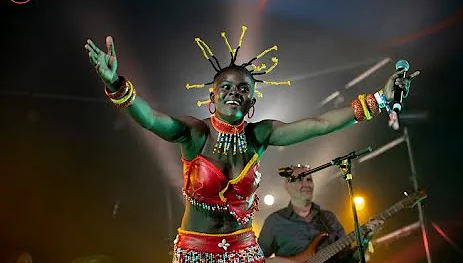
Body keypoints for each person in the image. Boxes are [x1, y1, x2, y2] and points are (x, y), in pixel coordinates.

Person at [84, 25, 419, 262]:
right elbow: (151, 119)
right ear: (212, 99)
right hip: (196, 251)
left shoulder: (260, 135)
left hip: (245, 249)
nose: (235, 92)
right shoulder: (194, 133)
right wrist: (115, 84)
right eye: (226, 87)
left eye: (243, 89)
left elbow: (319, 124)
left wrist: (380, 99)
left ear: (252, 103)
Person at [258, 165, 384, 263]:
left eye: (309, 179)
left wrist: (366, 239)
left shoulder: (328, 218)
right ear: (287, 186)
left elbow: (349, 259)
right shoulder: (275, 221)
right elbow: (254, 259)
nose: (306, 184)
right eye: (300, 179)